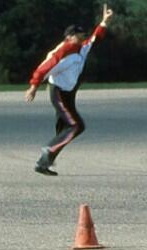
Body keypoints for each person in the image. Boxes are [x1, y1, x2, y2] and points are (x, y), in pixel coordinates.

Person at [25, 4, 114, 175]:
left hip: (69, 93)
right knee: (76, 126)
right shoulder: (63, 51)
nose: (83, 38)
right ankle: (49, 150)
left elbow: (95, 39)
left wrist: (104, 22)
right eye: (80, 36)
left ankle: (43, 163)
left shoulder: (81, 48)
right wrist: (33, 86)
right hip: (58, 92)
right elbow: (44, 68)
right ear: (71, 37)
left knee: (64, 129)